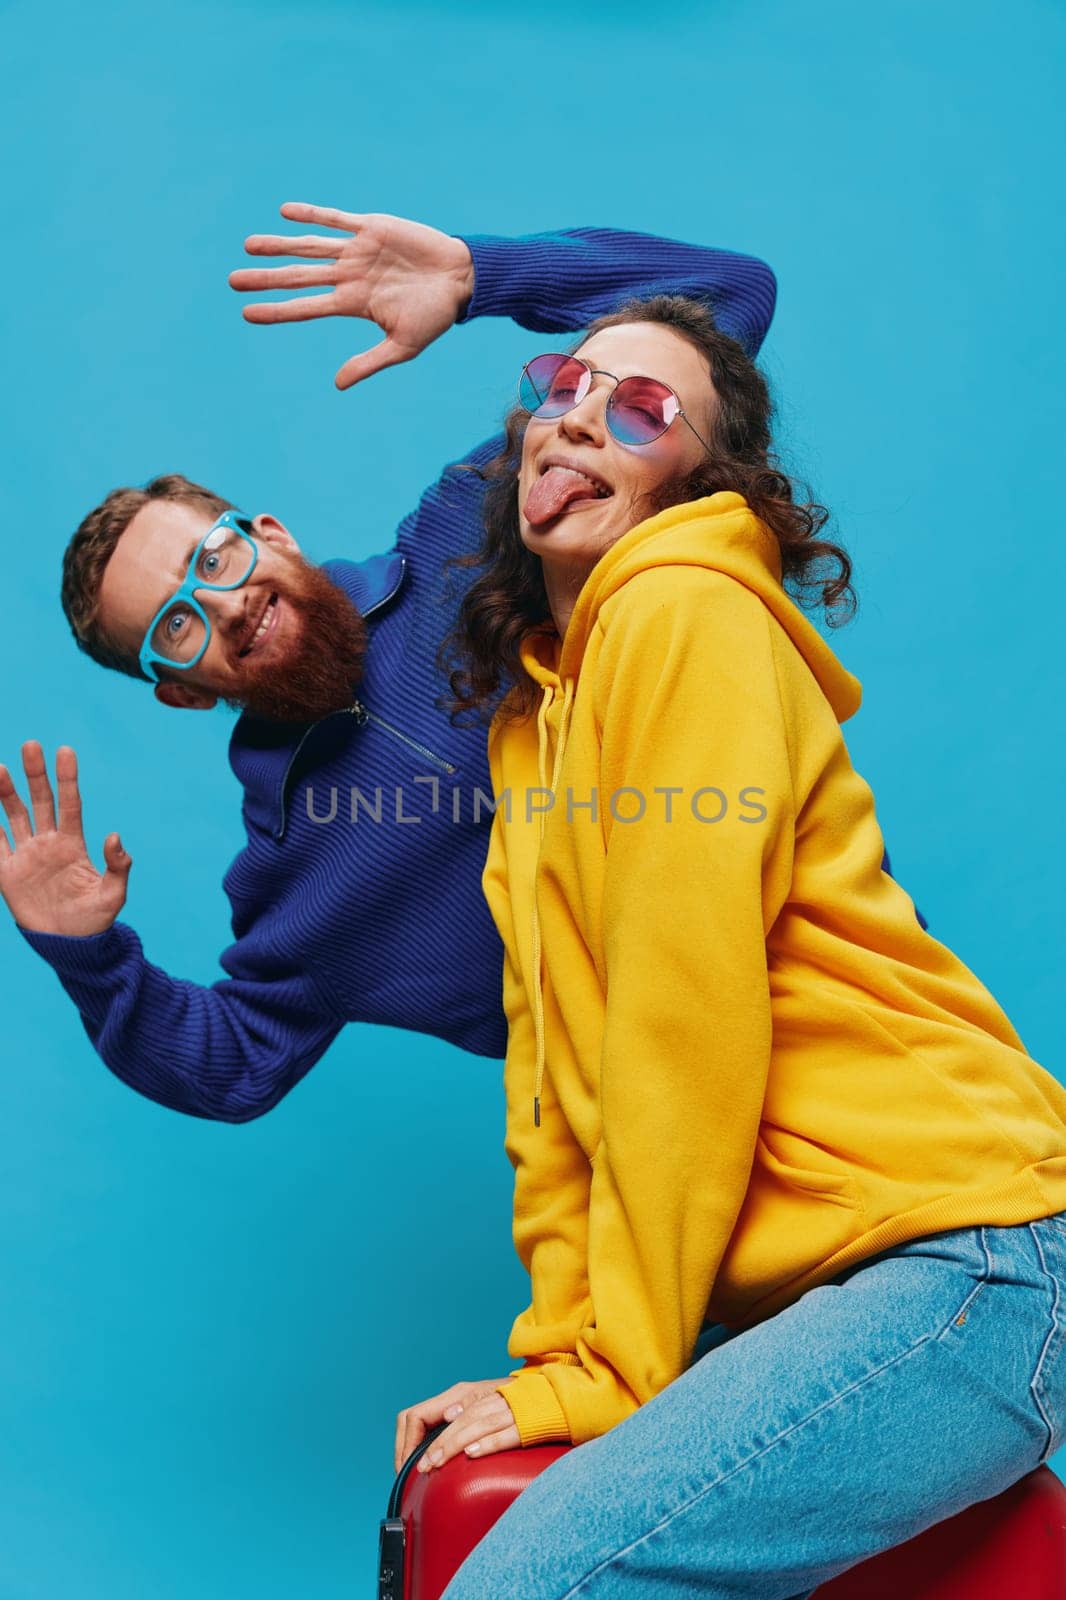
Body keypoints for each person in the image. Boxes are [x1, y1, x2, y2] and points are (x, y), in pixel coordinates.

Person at [391, 295, 1066, 1600]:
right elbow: (557, 1089)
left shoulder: (685, 610)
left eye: (642, 407)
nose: (581, 413)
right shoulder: (536, 722)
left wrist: (621, 1365)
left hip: (969, 1261)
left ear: (692, 475)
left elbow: (678, 1018)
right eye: (568, 383)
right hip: (851, 1292)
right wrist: (559, 1355)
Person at [0, 210, 785, 1120]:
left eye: (212, 559)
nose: (224, 604)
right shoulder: (299, 880)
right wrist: (87, 957)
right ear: (179, 692)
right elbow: (236, 1062)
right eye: (175, 626)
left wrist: (475, 277)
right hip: (672, 1135)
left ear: (271, 534)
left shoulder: (483, 523)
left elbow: (728, 301)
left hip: (841, 1021)